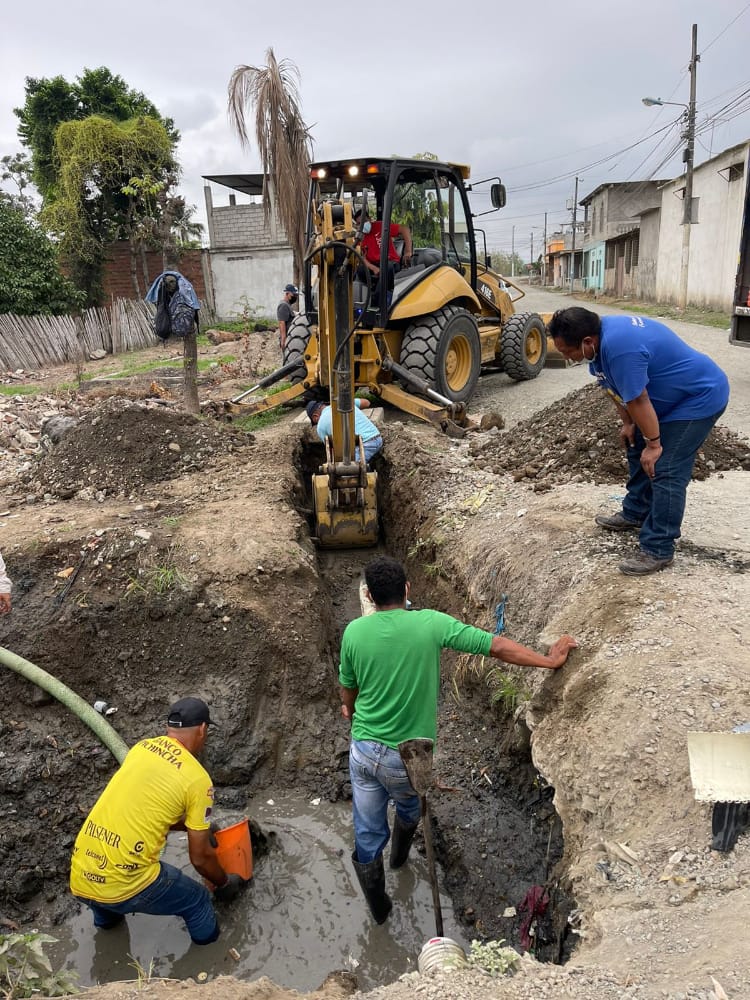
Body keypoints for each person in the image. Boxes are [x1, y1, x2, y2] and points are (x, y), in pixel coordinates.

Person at [339, 556, 577, 924]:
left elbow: (348, 688)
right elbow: (495, 646)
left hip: (364, 751)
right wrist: (548, 661)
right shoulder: (431, 623)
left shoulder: (354, 632)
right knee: (409, 808)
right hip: (408, 759)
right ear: (407, 589)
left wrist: (350, 710)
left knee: (368, 832)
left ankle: (380, 914)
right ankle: (399, 859)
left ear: (369, 596)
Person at [548, 307, 730, 576]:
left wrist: (654, 445)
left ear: (587, 341)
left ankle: (659, 547)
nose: (566, 357)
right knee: (635, 442)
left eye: (567, 351)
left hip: (699, 398)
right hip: (669, 401)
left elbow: (638, 399)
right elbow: (613, 389)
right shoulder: (598, 344)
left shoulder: (621, 348)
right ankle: (636, 511)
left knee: (665, 466)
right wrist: (628, 423)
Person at [70, 697, 245, 944]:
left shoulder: (141, 748)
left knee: (105, 900)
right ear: (203, 729)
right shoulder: (198, 780)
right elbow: (200, 858)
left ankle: (108, 929)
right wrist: (224, 884)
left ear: (168, 727)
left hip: (81, 872)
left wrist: (193, 828)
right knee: (197, 900)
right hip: (124, 883)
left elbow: (147, 811)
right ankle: (210, 953)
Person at [354, 208, 413, 306]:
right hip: (374, 265)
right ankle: (366, 296)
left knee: (387, 267)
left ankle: (376, 302)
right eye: (359, 223)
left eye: (364, 221)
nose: (362, 225)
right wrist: (374, 268)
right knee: (360, 270)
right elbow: (362, 258)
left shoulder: (381, 226)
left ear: (369, 219)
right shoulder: (360, 237)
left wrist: (408, 251)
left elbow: (404, 229)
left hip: (390, 262)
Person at [306, 398, 383, 464]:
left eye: (315, 422)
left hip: (366, 443)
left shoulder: (320, 427)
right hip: (377, 437)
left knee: (348, 470)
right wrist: (352, 403)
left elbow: (331, 452)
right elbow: (367, 403)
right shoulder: (344, 403)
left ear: (315, 417)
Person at [277, 284, 298, 351]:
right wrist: (283, 339)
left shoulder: (288, 305)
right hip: (287, 339)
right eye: (294, 295)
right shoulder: (283, 305)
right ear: (287, 293)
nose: (295, 297)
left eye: (296, 295)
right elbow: (282, 323)